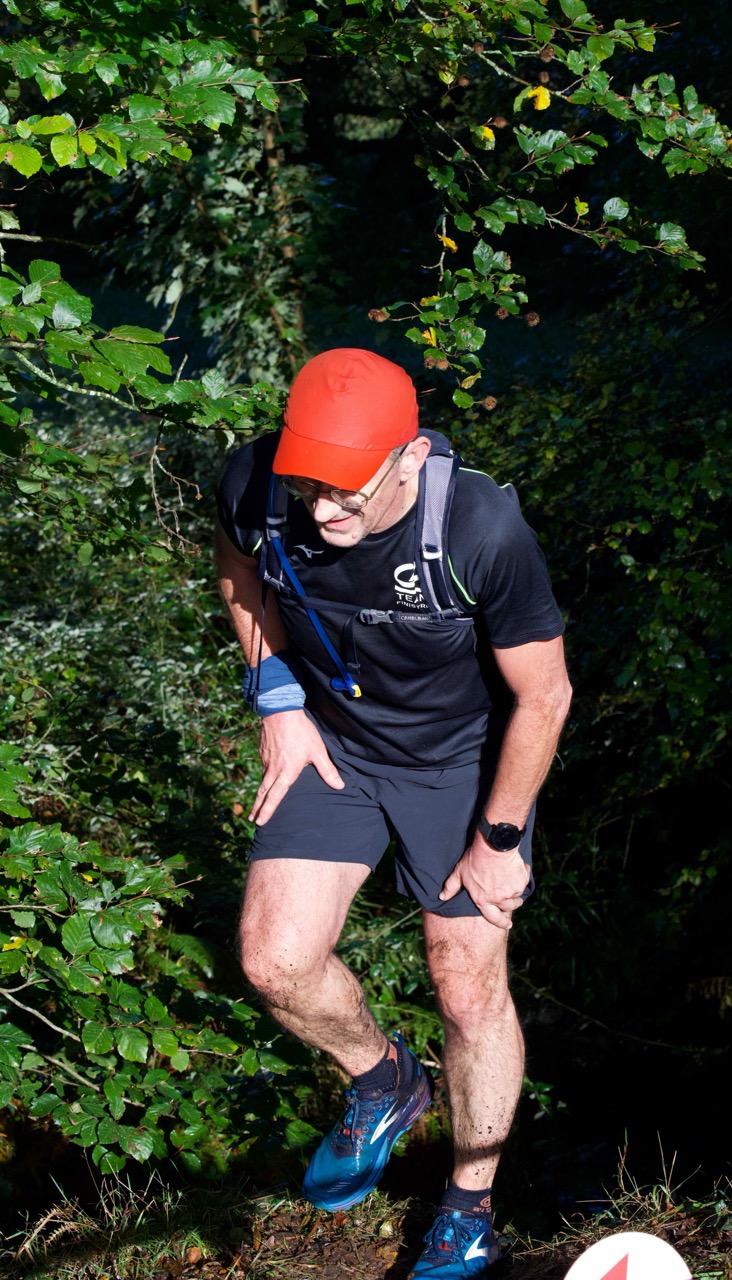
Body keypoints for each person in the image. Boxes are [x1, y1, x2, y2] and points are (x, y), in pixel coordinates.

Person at [215, 348, 571, 1278]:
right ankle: (384, 1080)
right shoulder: (258, 486)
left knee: (465, 985)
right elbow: (238, 568)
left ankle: (468, 1208)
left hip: (462, 768)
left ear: (409, 456)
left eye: (346, 490)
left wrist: (498, 839)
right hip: (335, 746)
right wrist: (276, 700)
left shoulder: (480, 530)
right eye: (307, 487)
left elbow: (544, 696)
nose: (322, 512)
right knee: (274, 962)